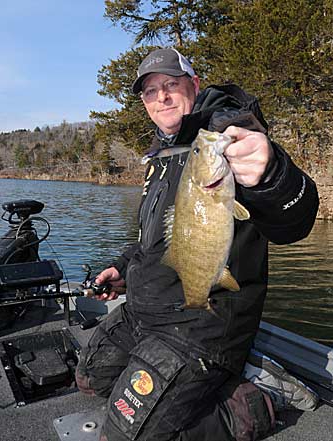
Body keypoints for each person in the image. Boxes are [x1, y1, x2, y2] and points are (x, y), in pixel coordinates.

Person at [76, 48, 319, 441]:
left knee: (126, 435)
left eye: (171, 85)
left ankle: (256, 404)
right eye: (151, 92)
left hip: (202, 325)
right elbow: (154, 237)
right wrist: (123, 267)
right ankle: (192, 387)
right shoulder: (161, 155)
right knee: (89, 378)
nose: (162, 98)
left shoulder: (225, 132)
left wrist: (272, 173)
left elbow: (295, 220)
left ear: (195, 85)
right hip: (144, 311)